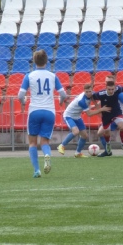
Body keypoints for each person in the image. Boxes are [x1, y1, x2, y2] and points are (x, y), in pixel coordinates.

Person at [18, 50, 68, 178]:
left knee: (32, 143)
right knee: (45, 141)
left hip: (34, 111)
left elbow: (20, 95)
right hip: (49, 111)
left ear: (34, 61)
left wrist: (23, 101)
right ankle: (46, 154)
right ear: (46, 61)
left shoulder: (29, 76)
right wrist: (60, 101)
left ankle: (37, 170)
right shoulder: (52, 76)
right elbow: (63, 94)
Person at [57, 84, 110, 157]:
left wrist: (98, 104)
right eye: (86, 92)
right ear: (84, 91)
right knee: (75, 131)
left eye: (89, 91)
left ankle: (77, 153)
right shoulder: (81, 100)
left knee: (84, 136)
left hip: (77, 116)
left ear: (92, 90)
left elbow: (98, 99)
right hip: (69, 116)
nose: (88, 93)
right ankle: (61, 145)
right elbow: (89, 114)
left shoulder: (93, 94)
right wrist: (101, 109)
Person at [105, 74, 123, 155]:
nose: (108, 82)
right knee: (102, 132)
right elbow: (97, 98)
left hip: (118, 114)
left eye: (110, 81)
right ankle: (107, 145)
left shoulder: (118, 90)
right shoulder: (103, 92)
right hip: (108, 114)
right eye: (107, 81)